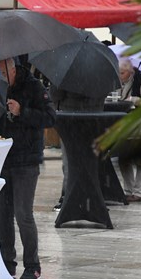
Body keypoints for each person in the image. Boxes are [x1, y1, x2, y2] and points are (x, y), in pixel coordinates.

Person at [0, 57, 56, 279]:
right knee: (3, 215)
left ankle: (33, 265)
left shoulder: (34, 87)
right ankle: (6, 263)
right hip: (2, 158)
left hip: (26, 159)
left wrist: (22, 112)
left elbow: (50, 118)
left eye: (2, 73)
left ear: (12, 68)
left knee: (23, 214)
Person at [48, 83, 104, 211]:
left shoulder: (67, 72)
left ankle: (67, 197)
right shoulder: (101, 72)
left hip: (70, 119)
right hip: (94, 118)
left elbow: (55, 94)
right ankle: (91, 198)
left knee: (69, 161)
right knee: (90, 162)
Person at [117, 58, 141, 202]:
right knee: (123, 157)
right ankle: (128, 190)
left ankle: (139, 192)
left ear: (130, 71)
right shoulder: (120, 83)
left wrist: (135, 100)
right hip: (124, 124)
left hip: (140, 124)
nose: (120, 75)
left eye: (122, 73)